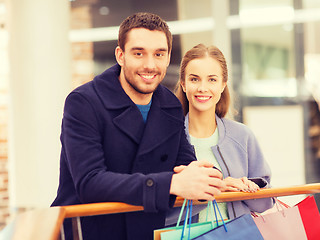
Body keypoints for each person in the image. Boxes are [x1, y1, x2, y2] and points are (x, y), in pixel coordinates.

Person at [51, 13, 225, 240]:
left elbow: (184, 163)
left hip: (146, 230)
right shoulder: (83, 102)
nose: (150, 65)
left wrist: (210, 177)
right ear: (120, 55)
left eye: (159, 54)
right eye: (139, 53)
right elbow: (90, 182)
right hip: (90, 230)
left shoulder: (169, 105)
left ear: (168, 56)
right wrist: (172, 183)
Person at [172, 43, 274, 222]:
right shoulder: (167, 138)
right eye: (194, 79)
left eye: (212, 79)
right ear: (184, 84)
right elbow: (160, 211)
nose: (203, 88)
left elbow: (266, 203)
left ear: (222, 84)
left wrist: (249, 189)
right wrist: (217, 188)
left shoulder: (242, 136)